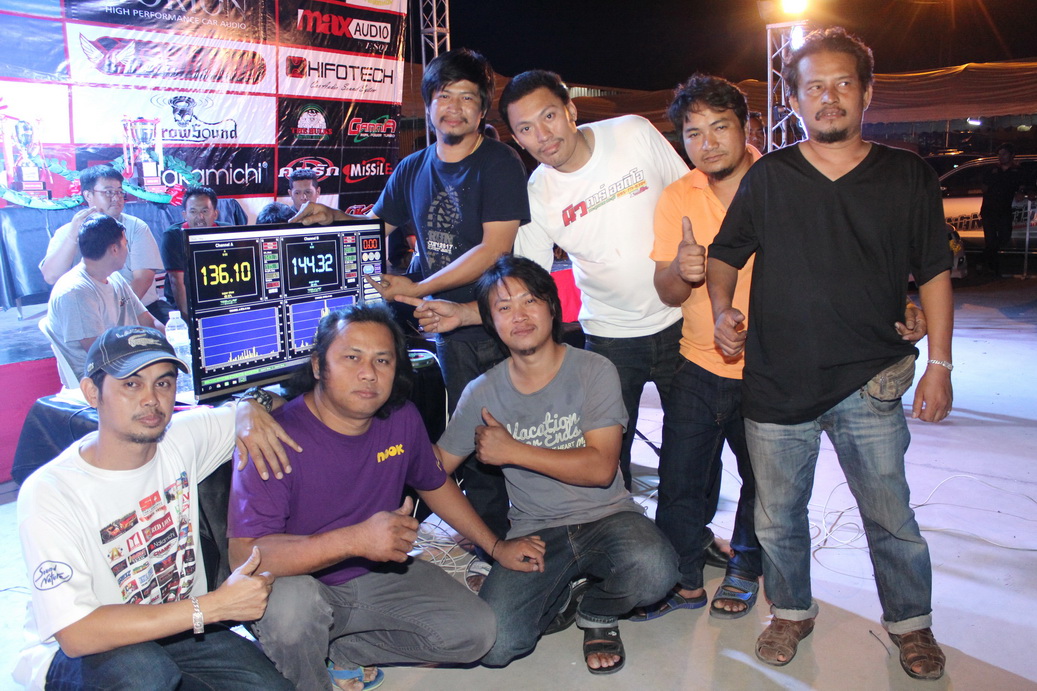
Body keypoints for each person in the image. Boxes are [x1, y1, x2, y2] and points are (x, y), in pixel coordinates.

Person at [707, 27, 952, 680]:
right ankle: (790, 611)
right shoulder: (770, 176)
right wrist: (722, 309)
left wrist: (941, 364)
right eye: (813, 87)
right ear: (793, 101)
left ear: (867, 93)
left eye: (844, 83)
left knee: (890, 517)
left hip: (869, 380)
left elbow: (933, 271)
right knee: (778, 518)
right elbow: (724, 255)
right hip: (776, 381)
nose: (829, 97)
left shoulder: (907, 175)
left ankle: (911, 623)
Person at [292, 48, 531, 587]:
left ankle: (509, 541)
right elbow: (376, 227)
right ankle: (471, 537)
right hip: (434, 319)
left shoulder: (498, 162)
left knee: (494, 432)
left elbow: (495, 247)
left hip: (485, 320)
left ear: (482, 110)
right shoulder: (412, 168)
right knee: (462, 432)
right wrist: (334, 217)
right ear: (428, 105)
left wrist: (419, 287)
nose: (455, 107)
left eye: (467, 97)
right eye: (445, 96)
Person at [227, 304, 543, 691]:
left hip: (374, 574)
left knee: (476, 633)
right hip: (297, 582)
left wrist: (495, 546)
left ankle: (341, 651)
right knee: (292, 611)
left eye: (382, 360)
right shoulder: (272, 437)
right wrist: (355, 540)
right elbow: (244, 556)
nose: (369, 373)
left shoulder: (401, 417)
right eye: (352, 357)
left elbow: (434, 483)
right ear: (318, 366)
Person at [435, 255, 679, 676]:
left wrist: (513, 450)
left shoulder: (594, 369)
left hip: (608, 517)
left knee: (656, 568)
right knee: (497, 645)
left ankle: (598, 611)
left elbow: (600, 469)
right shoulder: (482, 391)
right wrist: (492, 545)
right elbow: (433, 470)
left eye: (529, 301)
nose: (519, 316)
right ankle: (563, 591)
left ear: (551, 306)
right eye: (504, 307)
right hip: (535, 531)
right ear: (491, 322)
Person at [15, 325, 296, 690]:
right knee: (143, 673)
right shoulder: (51, 492)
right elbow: (76, 634)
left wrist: (247, 405)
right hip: (85, 650)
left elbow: (274, 401)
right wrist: (215, 607)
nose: (151, 399)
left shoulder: (181, 437)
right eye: (131, 384)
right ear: (92, 392)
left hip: (176, 627)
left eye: (163, 383)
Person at [41, 165, 171, 323]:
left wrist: (118, 313)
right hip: (89, 314)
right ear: (88, 195)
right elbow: (51, 277)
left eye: (119, 192)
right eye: (108, 192)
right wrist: (72, 237)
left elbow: (143, 279)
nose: (116, 198)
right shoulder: (68, 232)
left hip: (138, 307)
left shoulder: (135, 227)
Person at [46, 215, 163, 383]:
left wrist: (176, 343)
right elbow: (101, 353)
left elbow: (150, 322)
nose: (127, 250)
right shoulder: (75, 292)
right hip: (100, 379)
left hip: (128, 364)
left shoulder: (115, 278)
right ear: (114, 249)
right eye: (125, 244)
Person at [160, 185, 221, 316]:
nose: (200, 217)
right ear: (185, 215)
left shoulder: (227, 232)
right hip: (186, 300)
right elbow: (177, 283)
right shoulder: (173, 236)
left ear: (215, 214)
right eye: (193, 212)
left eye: (205, 211)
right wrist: (189, 319)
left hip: (218, 297)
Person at [980, 143, 1025, 275]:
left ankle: (983, 259)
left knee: (1005, 237)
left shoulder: (1017, 171)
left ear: (1012, 155)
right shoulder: (992, 170)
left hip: (1004, 210)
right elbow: (983, 186)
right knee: (990, 239)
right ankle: (993, 268)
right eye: (999, 154)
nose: (1001, 157)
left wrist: (1021, 192)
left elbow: (1023, 185)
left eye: (1004, 154)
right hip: (989, 209)